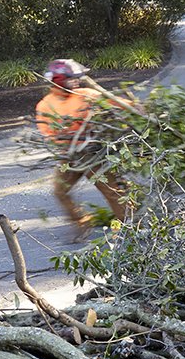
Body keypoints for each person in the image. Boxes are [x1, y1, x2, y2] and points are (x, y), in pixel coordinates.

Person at [35, 58, 129, 234]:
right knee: (60, 191)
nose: (76, 81)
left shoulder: (87, 95)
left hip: (92, 154)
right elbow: (46, 131)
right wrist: (61, 137)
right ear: (58, 80)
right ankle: (82, 222)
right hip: (68, 157)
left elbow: (114, 103)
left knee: (113, 191)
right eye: (72, 78)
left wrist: (134, 108)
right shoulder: (45, 105)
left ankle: (129, 225)